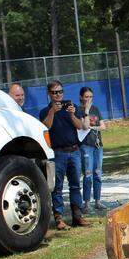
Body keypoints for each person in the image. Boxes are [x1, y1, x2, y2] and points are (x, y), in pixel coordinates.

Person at [39, 80, 88, 230]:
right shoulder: (45, 111)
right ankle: (59, 218)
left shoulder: (70, 108)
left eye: (60, 92)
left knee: (75, 185)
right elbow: (46, 126)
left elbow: (80, 126)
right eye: (54, 92)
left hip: (74, 151)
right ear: (49, 94)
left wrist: (72, 114)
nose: (58, 95)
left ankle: (77, 216)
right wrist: (53, 111)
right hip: (57, 153)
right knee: (57, 187)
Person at [77, 86, 107, 214]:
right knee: (88, 174)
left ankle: (98, 201)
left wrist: (93, 128)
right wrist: (87, 110)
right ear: (81, 97)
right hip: (86, 145)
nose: (89, 99)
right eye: (86, 97)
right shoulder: (78, 110)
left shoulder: (96, 109)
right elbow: (84, 126)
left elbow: (103, 126)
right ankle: (86, 202)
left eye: (90, 97)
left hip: (97, 145)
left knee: (98, 173)